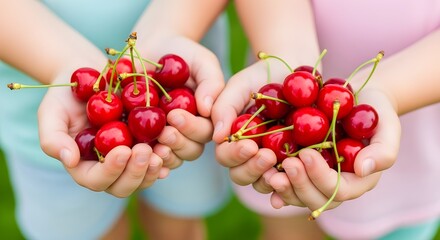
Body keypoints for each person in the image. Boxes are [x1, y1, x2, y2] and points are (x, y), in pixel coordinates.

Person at [0, 0, 231, 239]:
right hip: (47, 131)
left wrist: (173, 29)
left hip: (183, 115)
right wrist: (62, 62)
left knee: (178, 224)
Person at [212, 0, 440, 239]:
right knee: (286, 230)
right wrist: (284, 50)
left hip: (411, 161)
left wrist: (388, 91)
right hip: (283, 157)